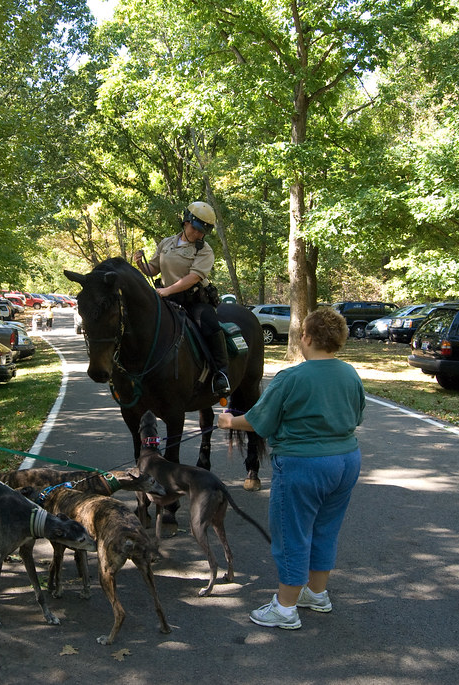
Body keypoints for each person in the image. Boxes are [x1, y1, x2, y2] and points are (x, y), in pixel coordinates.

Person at [217, 308, 365, 629]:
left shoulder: (291, 377)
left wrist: (229, 421)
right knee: (325, 529)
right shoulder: (350, 373)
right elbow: (357, 416)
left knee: (291, 534)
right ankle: (317, 593)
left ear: (306, 337)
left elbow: (260, 420)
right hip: (346, 461)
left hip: (304, 465)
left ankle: (285, 608)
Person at [133, 201, 230, 395]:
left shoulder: (204, 250)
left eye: (203, 231)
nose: (198, 234)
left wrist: (167, 291)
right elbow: (153, 269)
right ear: (186, 222)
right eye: (195, 228)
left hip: (193, 301)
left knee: (209, 323)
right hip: (165, 297)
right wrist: (141, 265)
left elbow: (194, 277)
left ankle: (221, 373)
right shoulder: (166, 243)